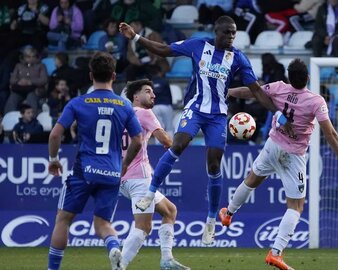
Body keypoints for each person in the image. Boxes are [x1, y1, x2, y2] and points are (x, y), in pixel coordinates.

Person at [119, 15, 292, 245]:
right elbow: (164, 50)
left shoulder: (238, 58)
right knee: (178, 144)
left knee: (213, 165)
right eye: (227, 32)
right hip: (195, 109)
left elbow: (257, 90)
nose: (231, 36)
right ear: (216, 32)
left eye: (234, 33)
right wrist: (137, 37)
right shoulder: (198, 45)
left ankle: (211, 222)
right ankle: (149, 193)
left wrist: (278, 113)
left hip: (218, 116)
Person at [218, 58, 338, 270]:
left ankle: (228, 214)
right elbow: (331, 133)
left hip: (272, 144)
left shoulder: (279, 88)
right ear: (308, 77)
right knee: (296, 206)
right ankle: (276, 253)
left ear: (289, 78)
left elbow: (253, 91)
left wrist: (230, 91)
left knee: (251, 179)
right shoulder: (316, 101)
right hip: (294, 155)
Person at [46, 52, 143, 270]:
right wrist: (125, 164)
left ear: (91, 76)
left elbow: (54, 135)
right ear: (114, 76)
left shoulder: (78, 103)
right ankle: (113, 247)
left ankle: (52, 269)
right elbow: (138, 139)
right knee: (103, 223)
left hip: (83, 171)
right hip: (111, 173)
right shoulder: (124, 105)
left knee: (63, 220)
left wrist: (53, 159)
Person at [119, 79, 189, 270]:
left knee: (169, 210)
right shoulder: (144, 113)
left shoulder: (121, 114)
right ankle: (120, 265)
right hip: (139, 177)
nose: (153, 95)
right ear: (136, 97)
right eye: (148, 91)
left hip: (122, 177)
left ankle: (167, 259)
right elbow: (166, 140)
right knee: (143, 226)